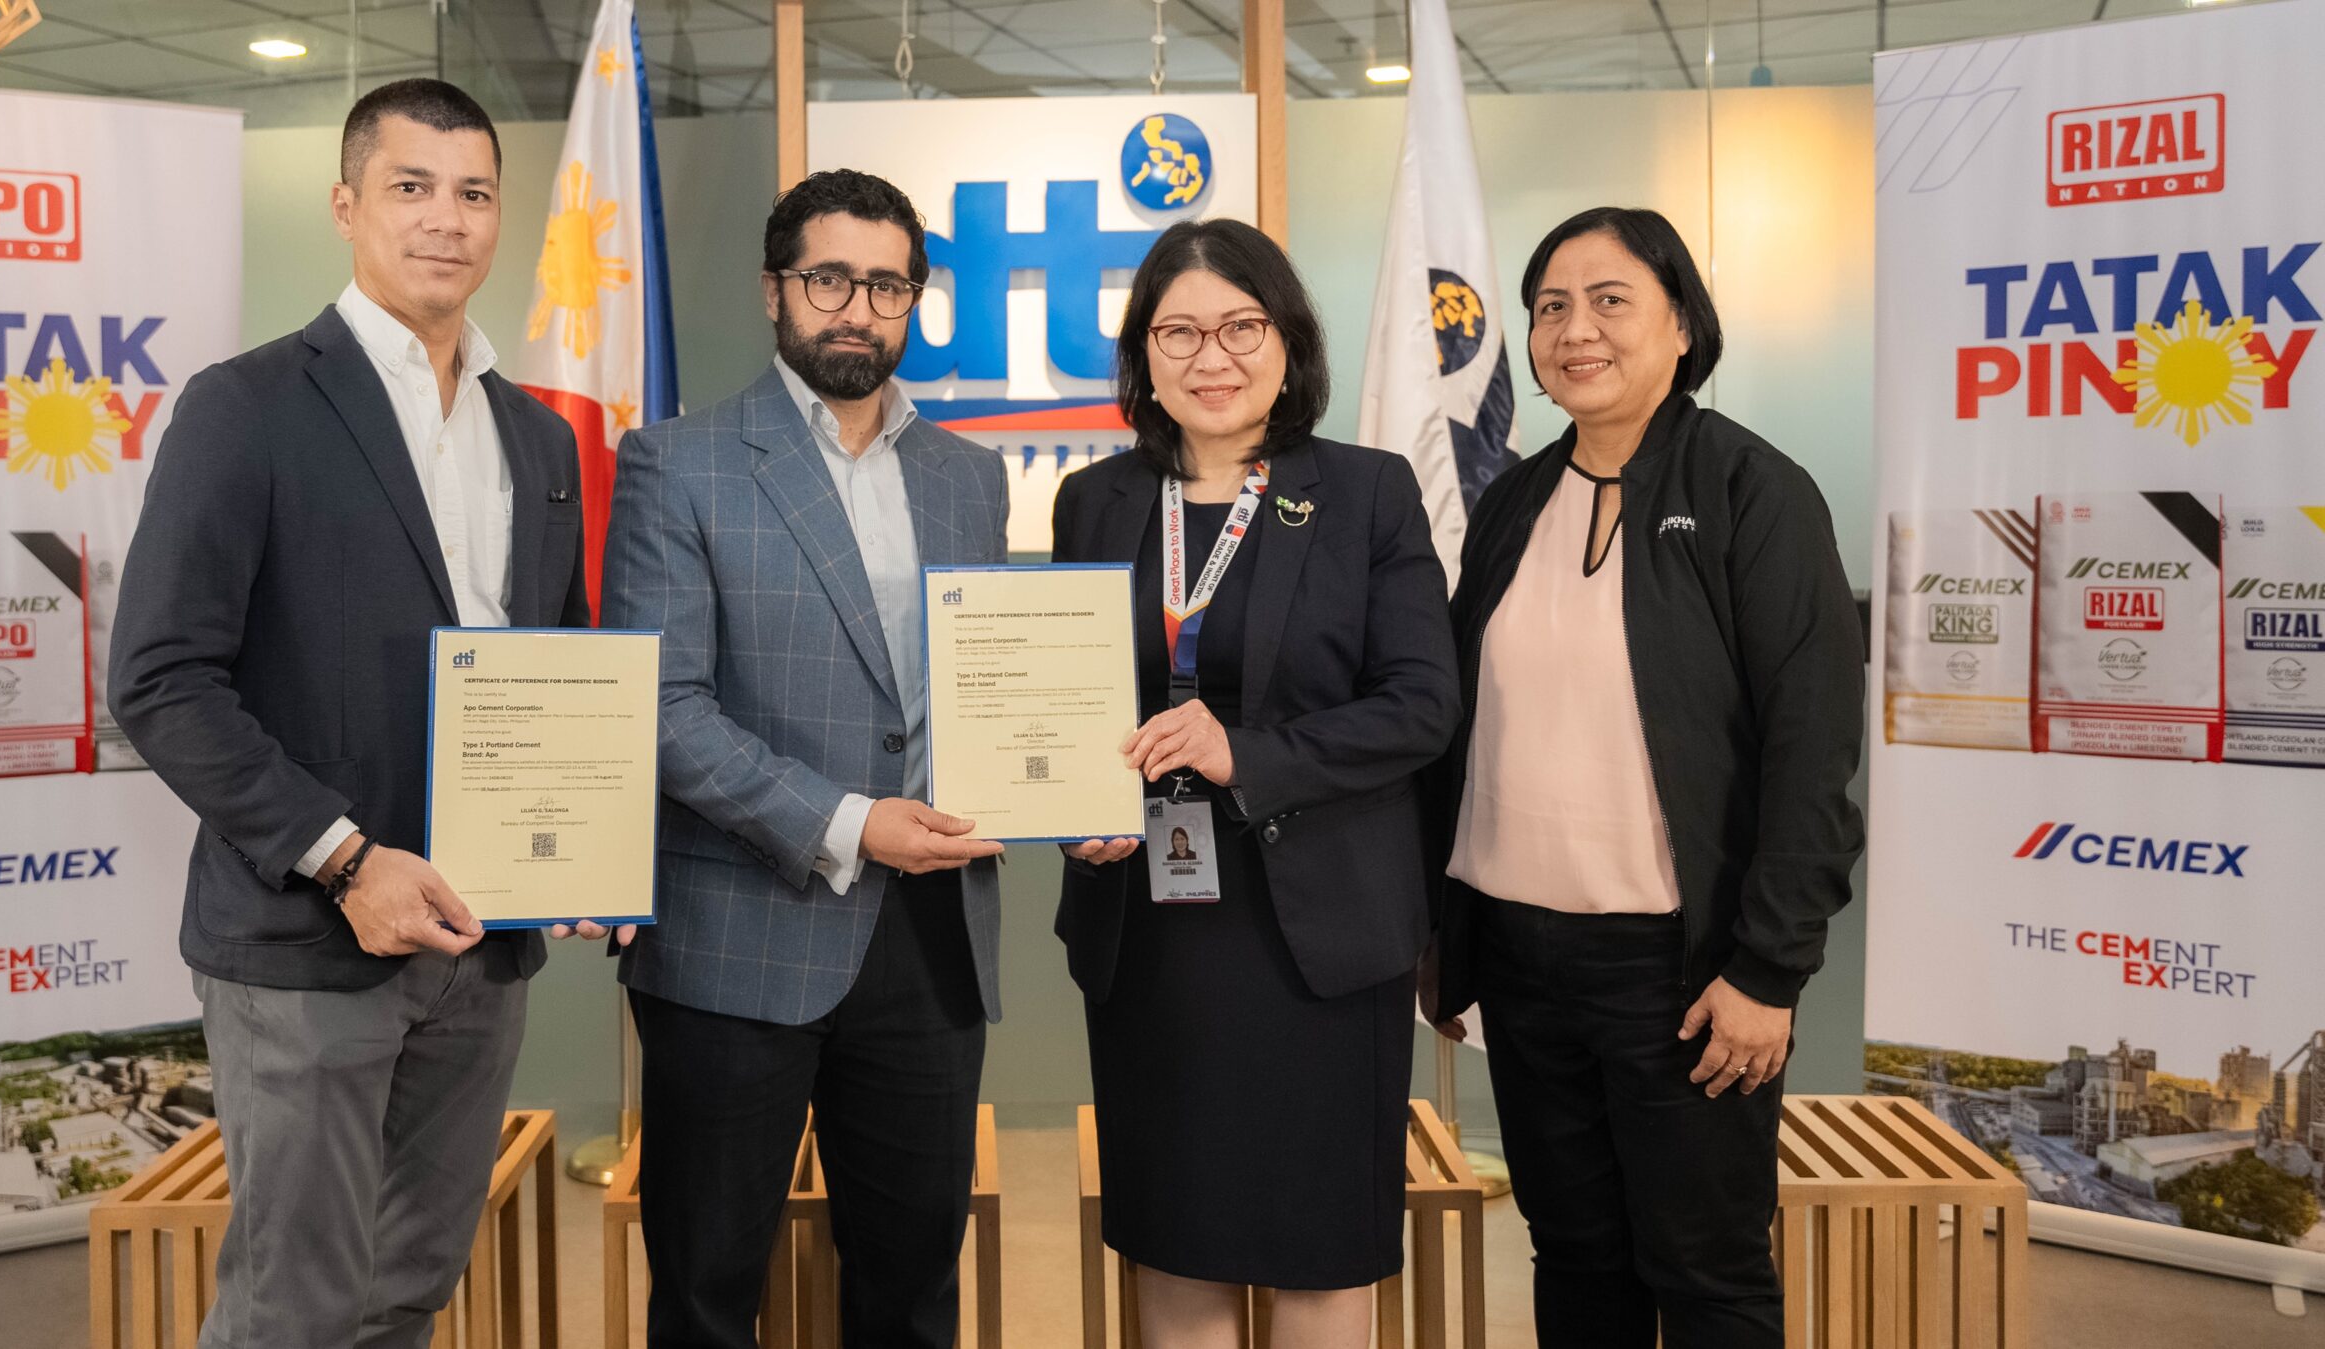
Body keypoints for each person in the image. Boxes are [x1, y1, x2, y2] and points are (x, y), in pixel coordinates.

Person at [108, 80, 592, 1349]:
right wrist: (346, 858)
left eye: (475, 192)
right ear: (346, 204)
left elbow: (554, 669)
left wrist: (582, 836)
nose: (448, 219)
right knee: (296, 1305)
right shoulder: (247, 405)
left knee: (407, 1289)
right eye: (411, 186)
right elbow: (161, 679)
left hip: (481, 947)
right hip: (309, 939)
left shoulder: (538, 439)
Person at [1422, 206, 1864, 1348]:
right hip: (1522, 960)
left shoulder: (1752, 490)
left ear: (1681, 324)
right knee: (1573, 1255)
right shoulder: (1512, 503)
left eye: (1610, 299)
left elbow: (1811, 748)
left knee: (1705, 1271)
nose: (1576, 329)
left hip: (1679, 969)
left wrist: (1769, 967)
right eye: (1550, 307)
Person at [590, 169, 1010, 1349]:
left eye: (886, 285)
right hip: (739, 937)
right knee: (711, 1292)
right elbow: (660, 704)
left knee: (912, 1289)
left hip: (931, 940)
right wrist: (844, 819)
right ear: (776, 289)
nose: (856, 309)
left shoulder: (967, 475)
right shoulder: (682, 461)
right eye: (830, 278)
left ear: (913, 304)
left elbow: (986, 687)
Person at [1052, 218, 1459, 1348]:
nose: (1210, 356)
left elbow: (1423, 703)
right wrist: (1071, 815)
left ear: (1287, 341)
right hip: (1153, 935)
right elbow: (1069, 700)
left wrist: (1248, 751)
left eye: (1240, 325)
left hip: (1318, 940)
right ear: (1142, 356)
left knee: (1319, 1246)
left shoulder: (1368, 494)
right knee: (1176, 1239)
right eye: (1176, 330)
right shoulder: (1096, 501)